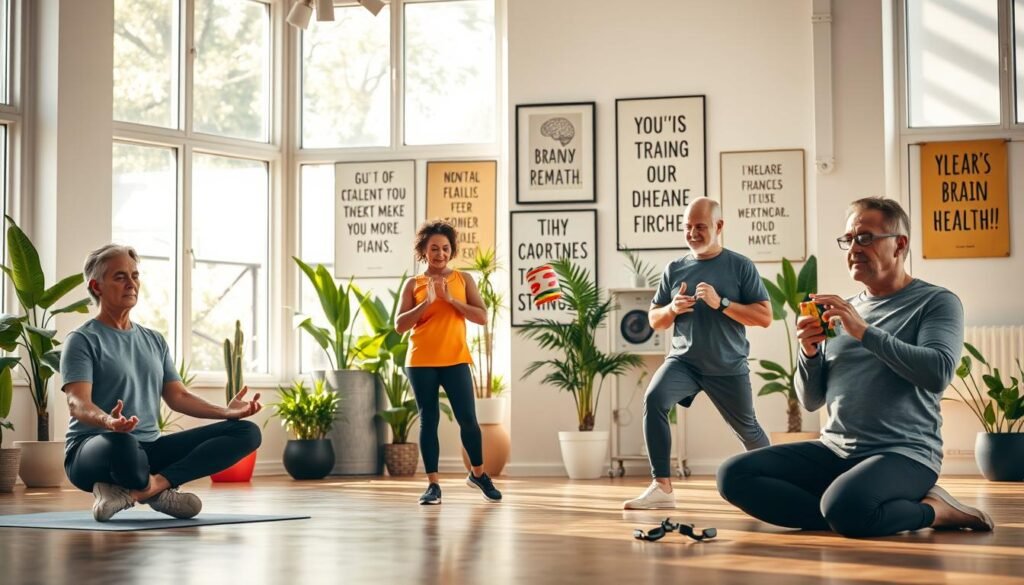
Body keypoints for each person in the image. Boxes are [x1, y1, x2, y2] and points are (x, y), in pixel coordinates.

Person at [716, 197, 994, 537]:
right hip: (835, 449)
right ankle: (847, 510)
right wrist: (809, 352)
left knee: (845, 507)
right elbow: (811, 400)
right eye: (848, 240)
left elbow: (937, 373)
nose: (853, 249)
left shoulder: (936, 302)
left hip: (904, 453)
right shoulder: (841, 312)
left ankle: (936, 512)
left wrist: (863, 331)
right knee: (733, 474)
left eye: (865, 238)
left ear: (899, 244)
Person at [61, 245, 263, 523]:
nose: (131, 283)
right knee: (124, 444)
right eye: (120, 277)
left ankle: (150, 487)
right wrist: (108, 422)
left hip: (148, 450)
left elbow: (178, 397)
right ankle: (146, 490)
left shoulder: (154, 340)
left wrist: (226, 413)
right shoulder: (82, 339)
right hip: (94, 450)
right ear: (97, 286)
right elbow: (77, 403)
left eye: (135, 275)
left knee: (247, 433)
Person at [624, 197, 773, 510]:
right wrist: (671, 308)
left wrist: (723, 304)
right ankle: (662, 487)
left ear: (719, 227)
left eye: (700, 226)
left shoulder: (740, 265)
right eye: (688, 227)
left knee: (748, 429)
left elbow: (764, 317)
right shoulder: (675, 268)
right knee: (654, 399)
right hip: (684, 362)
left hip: (727, 363)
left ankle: (774, 483)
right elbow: (655, 320)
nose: (692, 233)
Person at [396, 220, 502, 505]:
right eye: (434, 248)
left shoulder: (463, 280)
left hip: (455, 359)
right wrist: (427, 302)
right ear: (423, 251)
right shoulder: (414, 284)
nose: (440, 253)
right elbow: (399, 325)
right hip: (420, 361)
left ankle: (478, 474)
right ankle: (433, 485)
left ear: (451, 250)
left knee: (468, 420)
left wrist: (451, 300)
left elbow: (481, 316)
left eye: (445, 248)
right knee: (428, 420)